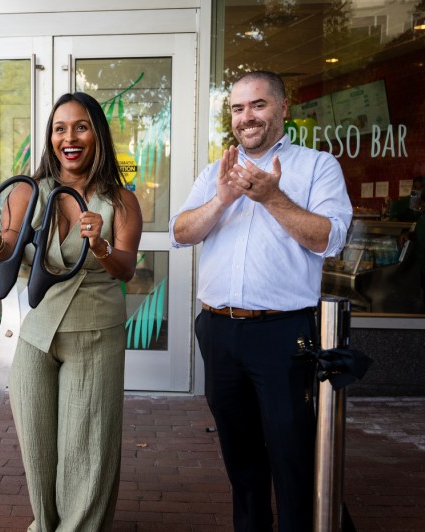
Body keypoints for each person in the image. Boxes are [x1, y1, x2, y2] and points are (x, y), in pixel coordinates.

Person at [170, 71, 353, 532]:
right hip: (219, 331)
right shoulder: (216, 172)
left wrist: (273, 197)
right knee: (242, 457)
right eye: (237, 108)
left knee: (293, 455)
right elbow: (180, 232)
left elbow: (329, 239)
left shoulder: (317, 166)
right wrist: (222, 199)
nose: (246, 117)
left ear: (283, 108)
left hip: (282, 334)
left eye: (258, 105)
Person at [0, 92, 142, 530]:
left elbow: (126, 269)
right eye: (60, 128)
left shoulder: (121, 201)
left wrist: (100, 246)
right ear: (50, 137)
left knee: (87, 453)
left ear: (97, 134)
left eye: (81, 126)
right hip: (34, 333)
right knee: (39, 451)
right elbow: (7, 248)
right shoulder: (28, 192)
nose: (70, 137)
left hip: (95, 333)